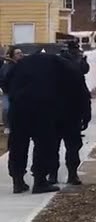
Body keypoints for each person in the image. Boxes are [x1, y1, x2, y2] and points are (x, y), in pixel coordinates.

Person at [0, 50, 79, 194]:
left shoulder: (21, 64)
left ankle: (18, 181)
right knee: (44, 145)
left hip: (19, 108)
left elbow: (5, 83)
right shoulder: (59, 64)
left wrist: (16, 95)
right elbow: (73, 84)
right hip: (42, 109)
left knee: (18, 144)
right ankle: (40, 181)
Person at [50, 40, 92, 185]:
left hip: (56, 114)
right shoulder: (75, 69)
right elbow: (84, 95)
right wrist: (86, 115)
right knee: (72, 147)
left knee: (53, 147)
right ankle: (71, 174)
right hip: (70, 114)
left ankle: (54, 175)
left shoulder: (54, 65)